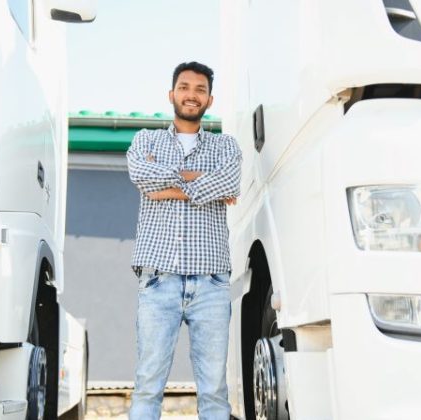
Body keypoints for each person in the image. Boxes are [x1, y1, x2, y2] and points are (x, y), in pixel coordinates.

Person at [126, 61, 242, 420]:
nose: (192, 95)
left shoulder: (226, 146)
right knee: (148, 386)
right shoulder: (146, 139)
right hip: (159, 279)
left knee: (214, 391)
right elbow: (141, 176)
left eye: (200, 90)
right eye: (185, 87)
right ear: (172, 93)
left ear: (209, 100)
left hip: (211, 283)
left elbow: (230, 184)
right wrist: (200, 183)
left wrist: (168, 187)